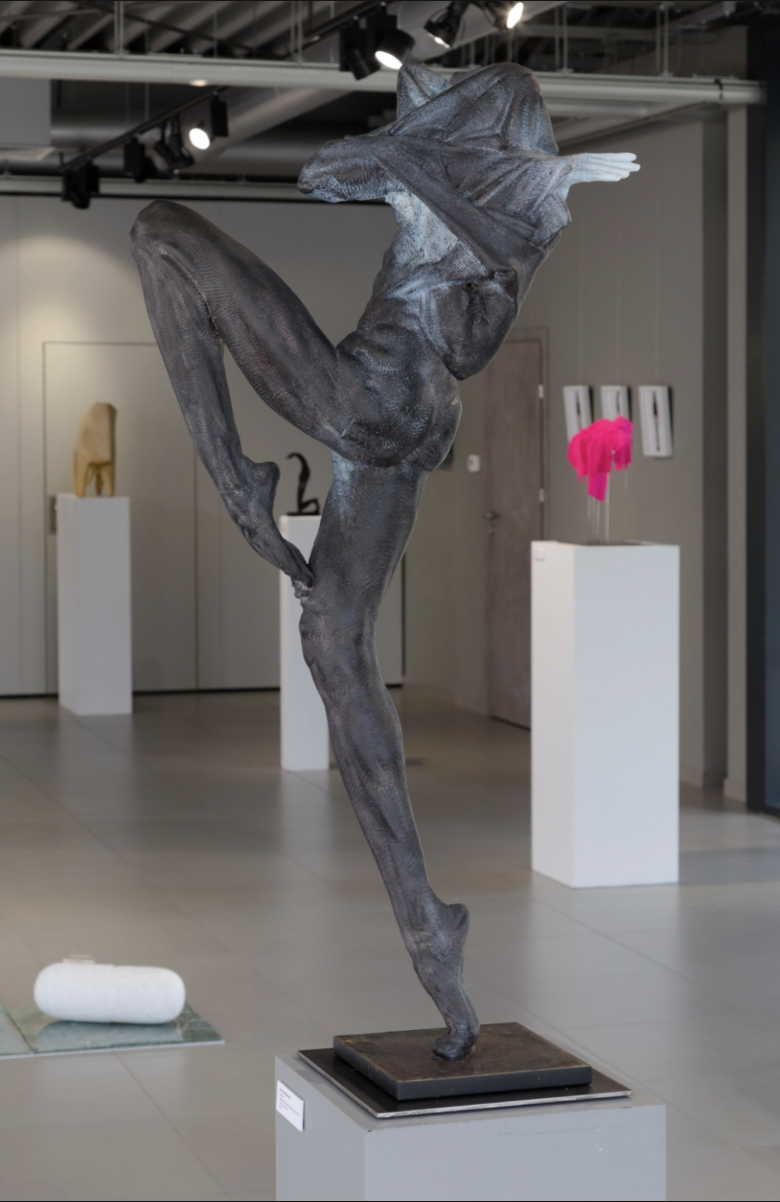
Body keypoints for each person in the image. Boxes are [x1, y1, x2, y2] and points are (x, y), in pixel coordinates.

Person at [131, 62, 639, 1060]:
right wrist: (435, 165)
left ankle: (234, 474)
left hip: (375, 397)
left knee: (158, 229)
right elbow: (335, 176)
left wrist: (424, 164)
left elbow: (331, 177)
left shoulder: (493, 201)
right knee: (332, 638)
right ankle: (428, 928)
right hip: (410, 421)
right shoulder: (491, 206)